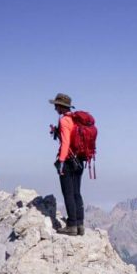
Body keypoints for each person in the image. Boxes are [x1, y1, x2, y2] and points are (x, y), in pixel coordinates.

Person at [49, 92, 85, 236]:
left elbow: (66, 143)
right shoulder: (76, 119)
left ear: (61, 106)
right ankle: (80, 224)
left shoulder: (64, 121)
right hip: (80, 160)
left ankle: (71, 226)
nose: (55, 108)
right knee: (76, 192)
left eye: (56, 105)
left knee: (68, 193)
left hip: (69, 161)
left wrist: (61, 161)